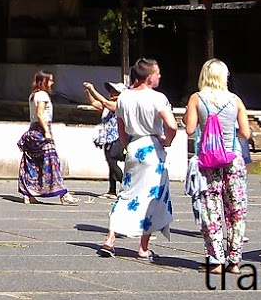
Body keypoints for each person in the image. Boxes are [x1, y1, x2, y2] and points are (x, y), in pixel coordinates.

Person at [100, 58, 177, 262]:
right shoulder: (158, 98)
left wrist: (127, 146)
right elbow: (172, 125)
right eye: (157, 73)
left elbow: (121, 128)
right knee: (152, 197)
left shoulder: (124, 97)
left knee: (127, 193)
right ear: (149, 76)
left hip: (134, 148)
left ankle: (110, 239)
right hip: (152, 148)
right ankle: (143, 247)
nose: (159, 76)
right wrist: (166, 141)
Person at [183, 59, 252, 274]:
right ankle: (235, 260)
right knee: (236, 209)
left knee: (210, 208)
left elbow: (190, 129)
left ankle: (216, 259)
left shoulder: (197, 98)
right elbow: (246, 133)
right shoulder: (235, 100)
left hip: (208, 161)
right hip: (233, 158)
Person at [19, 70, 77, 204]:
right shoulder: (43, 95)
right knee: (52, 161)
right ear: (44, 81)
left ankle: (29, 193)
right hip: (41, 129)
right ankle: (63, 194)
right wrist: (46, 131)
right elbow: (40, 114)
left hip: (33, 130)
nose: (52, 83)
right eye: (50, 80)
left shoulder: (33, 95)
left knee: (33, 162)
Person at [83, 79, 127, 197]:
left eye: (115, 92)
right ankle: (112, 190)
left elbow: (104, 102)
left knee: (113, 159)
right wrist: (88, 92)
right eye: (111, 92)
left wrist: (93, 89)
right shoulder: (108, 106)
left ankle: (126, 186)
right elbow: (94, 103)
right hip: (107, 138)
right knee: (110, 162)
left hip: (118, 138)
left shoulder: (120, 105)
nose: (111, 94)